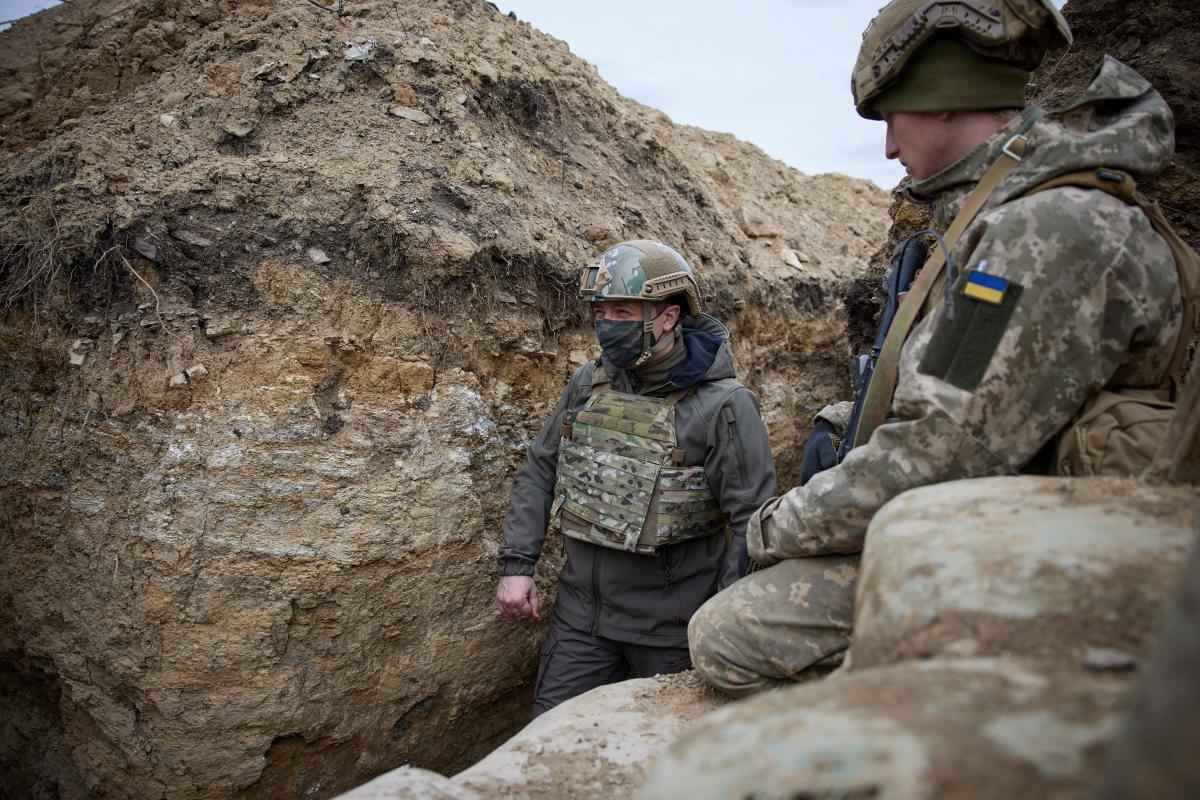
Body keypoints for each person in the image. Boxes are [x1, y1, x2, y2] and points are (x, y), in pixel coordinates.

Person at [689, 0, 1196, 696]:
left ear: (943, 105)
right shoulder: (1018, 216)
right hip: (1026, 516)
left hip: (1073, 545)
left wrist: (775, 528)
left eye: (893, 119)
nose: (890, 148)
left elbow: (937, 453)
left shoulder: (1039, 232)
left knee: (732, 633)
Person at [495, 239, 778, 716]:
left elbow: (753, 521)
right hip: (580, 624)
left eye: (623, 312)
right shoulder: (588, 383)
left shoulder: (724, 405)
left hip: (670, 632)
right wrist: (517, 565)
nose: (607, 325)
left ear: (667, 317)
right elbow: (541, 470)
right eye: (600, 311)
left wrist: (722, 622)